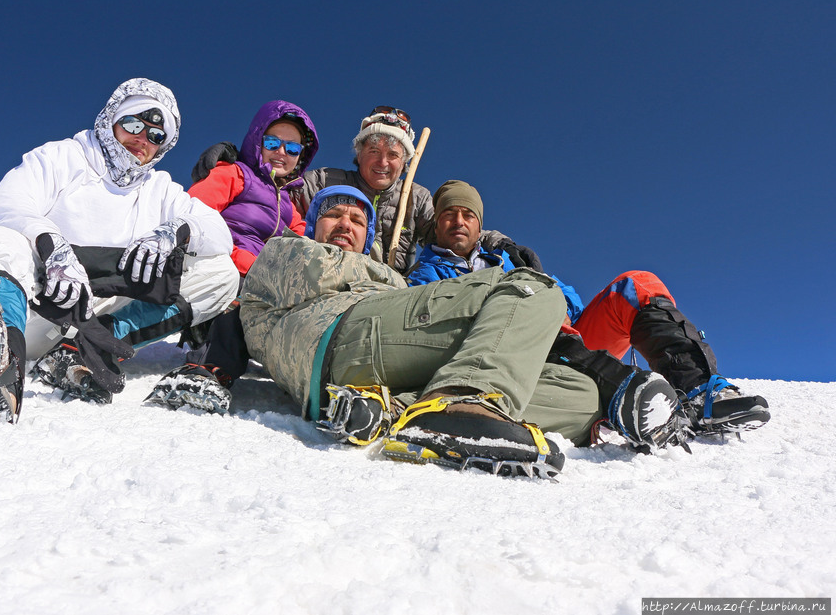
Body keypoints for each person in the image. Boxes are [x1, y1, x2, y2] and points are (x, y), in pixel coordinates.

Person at [237, 186, 690, 479]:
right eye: (334, 215)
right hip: (342, 333)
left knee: (582, 395)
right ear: (311, 223)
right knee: (533, 287)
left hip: (368, 371)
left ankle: (402, 410)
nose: (345, 226)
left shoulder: (373, 273)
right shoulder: (286, 251)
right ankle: (467, 401)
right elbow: (310, 282)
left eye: (358, 222)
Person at [0, 78, 240, 425]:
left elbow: (220, 234)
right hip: (41, 314)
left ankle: (99, 345)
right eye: (133, 124)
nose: (142, 139)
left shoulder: (160, 190)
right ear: (111, 119)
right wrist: (52, 246)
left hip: (95, 322)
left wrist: (176, 230)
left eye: (156, 136)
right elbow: (6, 203)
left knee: (223, 273)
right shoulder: (63, 157)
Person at [407, 180, 771, 438]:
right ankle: (627, 401)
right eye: (449, 214)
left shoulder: (506, 258)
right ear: (436, 223)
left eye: (467, 214)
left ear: (479, 224)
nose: (458, 222)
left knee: (635, 284)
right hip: (512, 351)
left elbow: (572, 299)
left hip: (571, 335)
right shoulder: (424, 275)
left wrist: (546, 288)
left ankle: (698, 390)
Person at [145, 100, 320, 412]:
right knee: (233, 304)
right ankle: (207, 370)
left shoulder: (292, 208)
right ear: (257, 142)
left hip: (260, 284)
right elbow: (194, 212)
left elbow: (302, 249)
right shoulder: (235, 174)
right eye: (272, 142)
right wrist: (240, 260)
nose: (281, 152)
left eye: (292, 148)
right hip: (218, 269)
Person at [192, 106, 459, 274]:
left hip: (388, 285)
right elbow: (274, 188)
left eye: (393, 155)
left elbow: (454, 234)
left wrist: (491, 241)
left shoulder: (416, 198)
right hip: (326, 279)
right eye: (374, 151)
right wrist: (240, 158)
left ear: (405, 163)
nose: (383, 162)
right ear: (359, 153)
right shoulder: (325, 181)